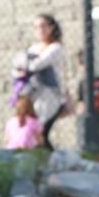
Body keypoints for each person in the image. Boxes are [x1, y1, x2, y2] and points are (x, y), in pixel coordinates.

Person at [25, 13, 69, 150]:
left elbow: (35, 65)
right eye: (36, 27)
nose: (40, 30)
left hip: (51, 96)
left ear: (51, 28)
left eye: (43, 26)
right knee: (36, 132)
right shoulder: (33, 48)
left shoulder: (56, 48)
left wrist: (25, 65)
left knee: (42, 130)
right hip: (34, 95)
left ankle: (48, 159)